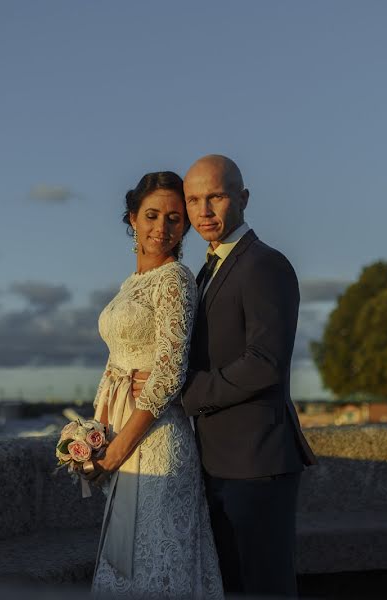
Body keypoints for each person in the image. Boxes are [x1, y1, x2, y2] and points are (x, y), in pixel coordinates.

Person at [134, 154, 317, 597]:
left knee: (264, 587)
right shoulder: (206, 270)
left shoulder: (264, 264)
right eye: (194, 200)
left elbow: (264, 363)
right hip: (215, 462)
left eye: (215, 196)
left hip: (256, 463)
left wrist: (184, 391)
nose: (204, 211)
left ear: (243, 198)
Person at [88, 171, 223, 598]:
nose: (161, 229)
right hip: (120, 431)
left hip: (157, 438)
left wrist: (120, 446)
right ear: (132, 218)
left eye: (173, 218)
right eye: (151, 216)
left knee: (155, 565)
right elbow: (115, 365)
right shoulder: (131, 284)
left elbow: (168, 373)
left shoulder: (176, 280)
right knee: (124, 563)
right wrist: (94, 435)